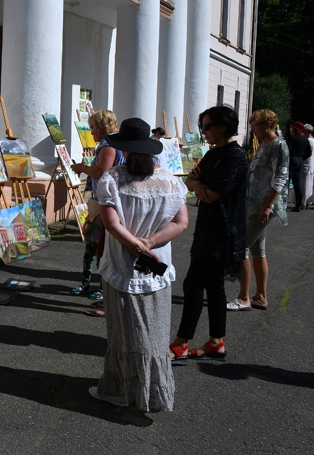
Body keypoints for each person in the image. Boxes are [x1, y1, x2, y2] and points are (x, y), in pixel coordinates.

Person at [88, 118, 188, 412]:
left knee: (122, 333)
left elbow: (110, 222)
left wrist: (136, 245)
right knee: (154, 333)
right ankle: (153, 394)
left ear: (125, 149)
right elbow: (181, 222)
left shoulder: (113, 179)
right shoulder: (170, 180)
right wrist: (151, 243)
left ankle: (120, 390)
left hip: (123, 267)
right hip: (156, 269)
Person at [169, 106, 248, 364]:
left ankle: (181, 342)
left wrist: (198, 185)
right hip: (208, 227)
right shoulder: (215, 153)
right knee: (213, 287)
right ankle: (216, 342)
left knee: (193, 284)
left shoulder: (235, 156)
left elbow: (212, 193)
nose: (204, 132)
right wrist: (198, 185)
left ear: (223, 127)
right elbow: (191, 182)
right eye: (202, 127)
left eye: (207, 126)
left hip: (222, 231)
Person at [227, 109, 289, 311]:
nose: (252, 129)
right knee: (257, 250)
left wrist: (269, 205)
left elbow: (280, 178)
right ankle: (260, 296)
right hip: (253, 202)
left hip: (262, 205)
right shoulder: (265, 143)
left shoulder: (278, 146)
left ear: (268, 124)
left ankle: (244, 298)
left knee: (241, 246)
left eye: (255, 125)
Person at [70, 110, 125, 310]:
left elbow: (102, 171)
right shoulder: (113, 143)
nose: (91, 132)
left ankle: (101, 288)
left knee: (98, 246)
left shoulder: (108, 145)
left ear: (103, 127)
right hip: (103, 200)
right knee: (94, 244)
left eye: (93, 127)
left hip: (104, 202)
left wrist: (82, 168)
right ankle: (88, 283)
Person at [286, 122, 311, 212]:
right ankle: (298, 205)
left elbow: (287, 150)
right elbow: (309, 152)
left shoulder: (292, 139)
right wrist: (302, 157)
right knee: (297, 184)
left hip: (292, 160)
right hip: (300, 160)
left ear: (294, 130)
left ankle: (284, 203)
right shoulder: (305, 140)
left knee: (286, 182)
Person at [304, 124, 314, 209]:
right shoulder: (313, 140)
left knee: (305, 183)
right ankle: (308, 201)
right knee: (310, 183)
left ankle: (304, 201)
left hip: (307, 163)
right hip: (312, 164)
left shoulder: (307, 141)